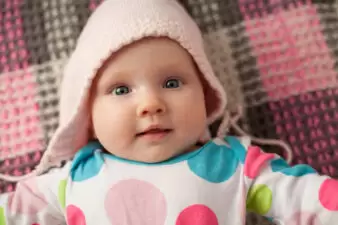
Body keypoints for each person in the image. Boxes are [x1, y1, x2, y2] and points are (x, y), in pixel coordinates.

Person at [0, 0, 337, 224]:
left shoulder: (234, 165)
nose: (151, 104)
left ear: (205, 92)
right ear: (87, 115)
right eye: (121, 90)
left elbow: (308, 197)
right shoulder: (72, 178)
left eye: (173, 83)